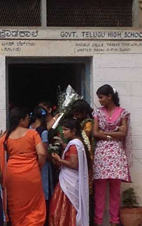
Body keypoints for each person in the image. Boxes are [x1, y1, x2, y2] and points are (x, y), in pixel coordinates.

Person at [0, 107, 47, 226]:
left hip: (13, 175)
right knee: (35, 207)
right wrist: (38, 167)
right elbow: (42, 153)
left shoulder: (6, 136)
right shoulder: (32, 133)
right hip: (31, 173)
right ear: (21, 120)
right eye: (27, 119)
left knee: (16, 206)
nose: (29, 121)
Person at [92, 85, 130, 226]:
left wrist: (105, 134)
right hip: (101, 154)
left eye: (101, 97)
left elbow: (124, 133)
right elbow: (95, 133)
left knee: (115, 190)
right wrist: (114, 133)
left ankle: (114, 221)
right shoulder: (97, 112)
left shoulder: (122, 113)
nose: (99, 100)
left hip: (116, 154)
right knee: (99, 190)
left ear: (109, 97)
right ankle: (98, 221)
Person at [49, 119, 90, 226]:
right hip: (70, 179)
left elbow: (73, 164)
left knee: (61, 208)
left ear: (74, 131)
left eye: (65, 130)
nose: (63, 132)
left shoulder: (74, 145)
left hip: (69, 182)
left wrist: (59, 160)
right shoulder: (77, 143)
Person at [32, 106, 54, 209]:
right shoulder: (43, 132)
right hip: (43, 165)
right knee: (44, 190)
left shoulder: (29, 128)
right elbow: (44, 151)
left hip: (32, 162)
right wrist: (53, 159)